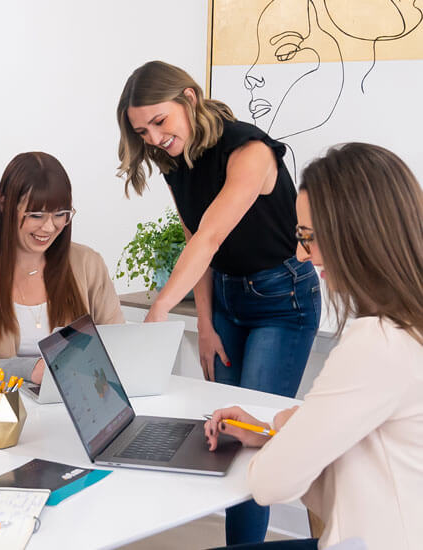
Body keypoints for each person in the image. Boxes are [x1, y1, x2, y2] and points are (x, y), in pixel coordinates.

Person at [117, 60, 320, 544]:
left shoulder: (250, 152)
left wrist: (161, 308)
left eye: (160, 122)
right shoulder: (174, 164)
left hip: (282, 299)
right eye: (142, 131)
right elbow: (195, 243)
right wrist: (204, 324)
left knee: (253, 441)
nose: (154, 138)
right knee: (223, 433)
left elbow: (209, 237)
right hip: (227, 299)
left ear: (189, 98)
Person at [206, 143, 423, 550]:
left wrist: (288, 427)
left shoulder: (378, 342)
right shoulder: (409, 327)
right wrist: (273, 430)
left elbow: (270, 484)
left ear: (355, 235)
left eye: (308, 237)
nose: (301, 254)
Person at [0, 151, 123, 389]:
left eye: (60, 215)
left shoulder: (88, 263)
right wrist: (27, 371)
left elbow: (117, 347)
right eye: (36, 215)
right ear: (4, 204)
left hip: (65, 409)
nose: (49, 227)